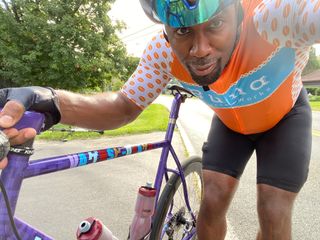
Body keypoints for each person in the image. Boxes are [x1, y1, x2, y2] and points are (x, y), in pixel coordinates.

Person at [0, 0, 318, 239]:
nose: (200, 49)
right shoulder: (162, 53)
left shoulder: (274, 18)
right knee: (213, 201)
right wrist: (49, 100)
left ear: (238, 10)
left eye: (216, 23)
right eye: (182, 30)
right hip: (231, 125)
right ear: (165, 29)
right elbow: (122, 106)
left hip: (285, 119)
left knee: (273, 209)